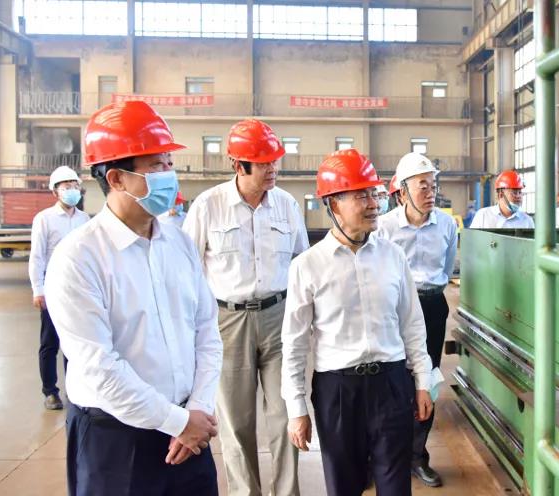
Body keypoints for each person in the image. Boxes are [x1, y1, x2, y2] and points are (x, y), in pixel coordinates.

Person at [44, 100, 223, 495]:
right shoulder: (79, 258)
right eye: (156, 166)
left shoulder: (179, 244)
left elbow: (207, 332)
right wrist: (177, 422)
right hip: (116, 441)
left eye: (169, 163)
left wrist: (199, 407)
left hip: (190, 433)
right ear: (117, 178)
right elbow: (99, 366)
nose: (169, 175)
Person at [281, 148, 433, 496]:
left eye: (374, 194)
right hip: (337, 391)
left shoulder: (393, 256)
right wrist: (296, 407)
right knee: (344, 486)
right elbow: (295, 343)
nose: (374, 204)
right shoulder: (307, 266)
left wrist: (423, 381)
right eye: (361, 195)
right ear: (334, 203)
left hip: (391, 384)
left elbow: (412, 324)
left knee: (396, 487)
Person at [182, 119, 308, 496]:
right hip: (228, 322)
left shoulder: (286, 205)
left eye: (275, 161)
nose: (273, 169)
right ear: (239, 165)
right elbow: (187, 270)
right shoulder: (208, 206)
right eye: (264, 163)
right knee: (236, 423)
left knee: (286, 414)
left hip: (279, 319)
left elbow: (301, 263)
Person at [375, 152, 457, 488]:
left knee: (428, 380)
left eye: (432, 185)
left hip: (433, 305)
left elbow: (447, 268)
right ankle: (384, 456)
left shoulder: (447, 225)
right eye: (422, 185)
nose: (430, 191)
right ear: (402, 191)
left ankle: (417, 456)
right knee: (391, 379)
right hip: (395, 310)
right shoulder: (384, 227)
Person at [28, 165, 90, 410]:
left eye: (75, 186)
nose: (72, 190)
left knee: (75, 341)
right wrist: (38, 289)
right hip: (53, 286)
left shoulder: (84, 219)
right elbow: (37, 256)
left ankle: (73, 390)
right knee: (50, 342)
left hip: (77, 287)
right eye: (66, 186)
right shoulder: (44, 219)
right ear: (55, 192)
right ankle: (50, 391)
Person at [469, 170, 535, 229]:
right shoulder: (483, 216)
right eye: (514, 193)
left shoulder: (527, 221)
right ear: (500, 194)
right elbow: (472, 238)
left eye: (520, 192)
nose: (518, 196)